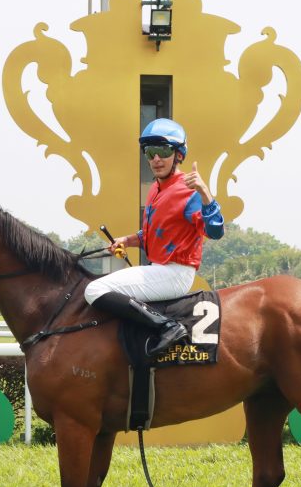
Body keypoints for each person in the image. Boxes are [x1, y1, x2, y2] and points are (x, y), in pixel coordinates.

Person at [84, 118, 225, 356]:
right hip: (160, 269)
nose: (156, 159)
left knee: (94, 290)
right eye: (150, 152)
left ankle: (168, 327)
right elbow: (154, 231)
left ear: (179, 154)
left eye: (162, 150)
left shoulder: (189, 191)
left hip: (175, 273)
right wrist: (127, 241)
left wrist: (205, 193)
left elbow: (215, 231)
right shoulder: (156, 188)